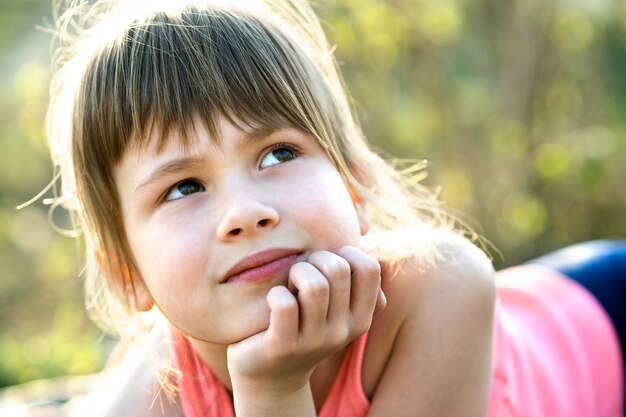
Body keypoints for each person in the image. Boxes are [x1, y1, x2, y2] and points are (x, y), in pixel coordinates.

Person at [43, 0, 622, 416]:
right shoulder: (152, 396)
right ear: (127, 274)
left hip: (602, 319)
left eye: (277, 153)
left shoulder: (443, 288)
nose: (245, 213)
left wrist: (273, 393)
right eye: (183, 188)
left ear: (354, 187)